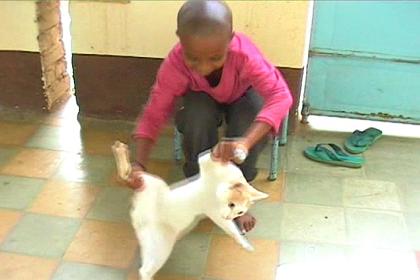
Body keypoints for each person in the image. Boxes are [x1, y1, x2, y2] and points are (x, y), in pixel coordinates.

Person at [128, 0, 292, 233]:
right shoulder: (175, 64)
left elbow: (280, 96)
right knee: (196, 116)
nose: (204, 67)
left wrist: (244, 142)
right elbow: (154, 113)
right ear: (180, 39)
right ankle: (202, 190)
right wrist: (139, 164)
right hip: (201, 96)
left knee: (247, 119)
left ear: (230, 39)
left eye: (215, 57)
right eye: (193, 58)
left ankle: (238, 199)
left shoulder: (244, 55)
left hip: (243, 93)